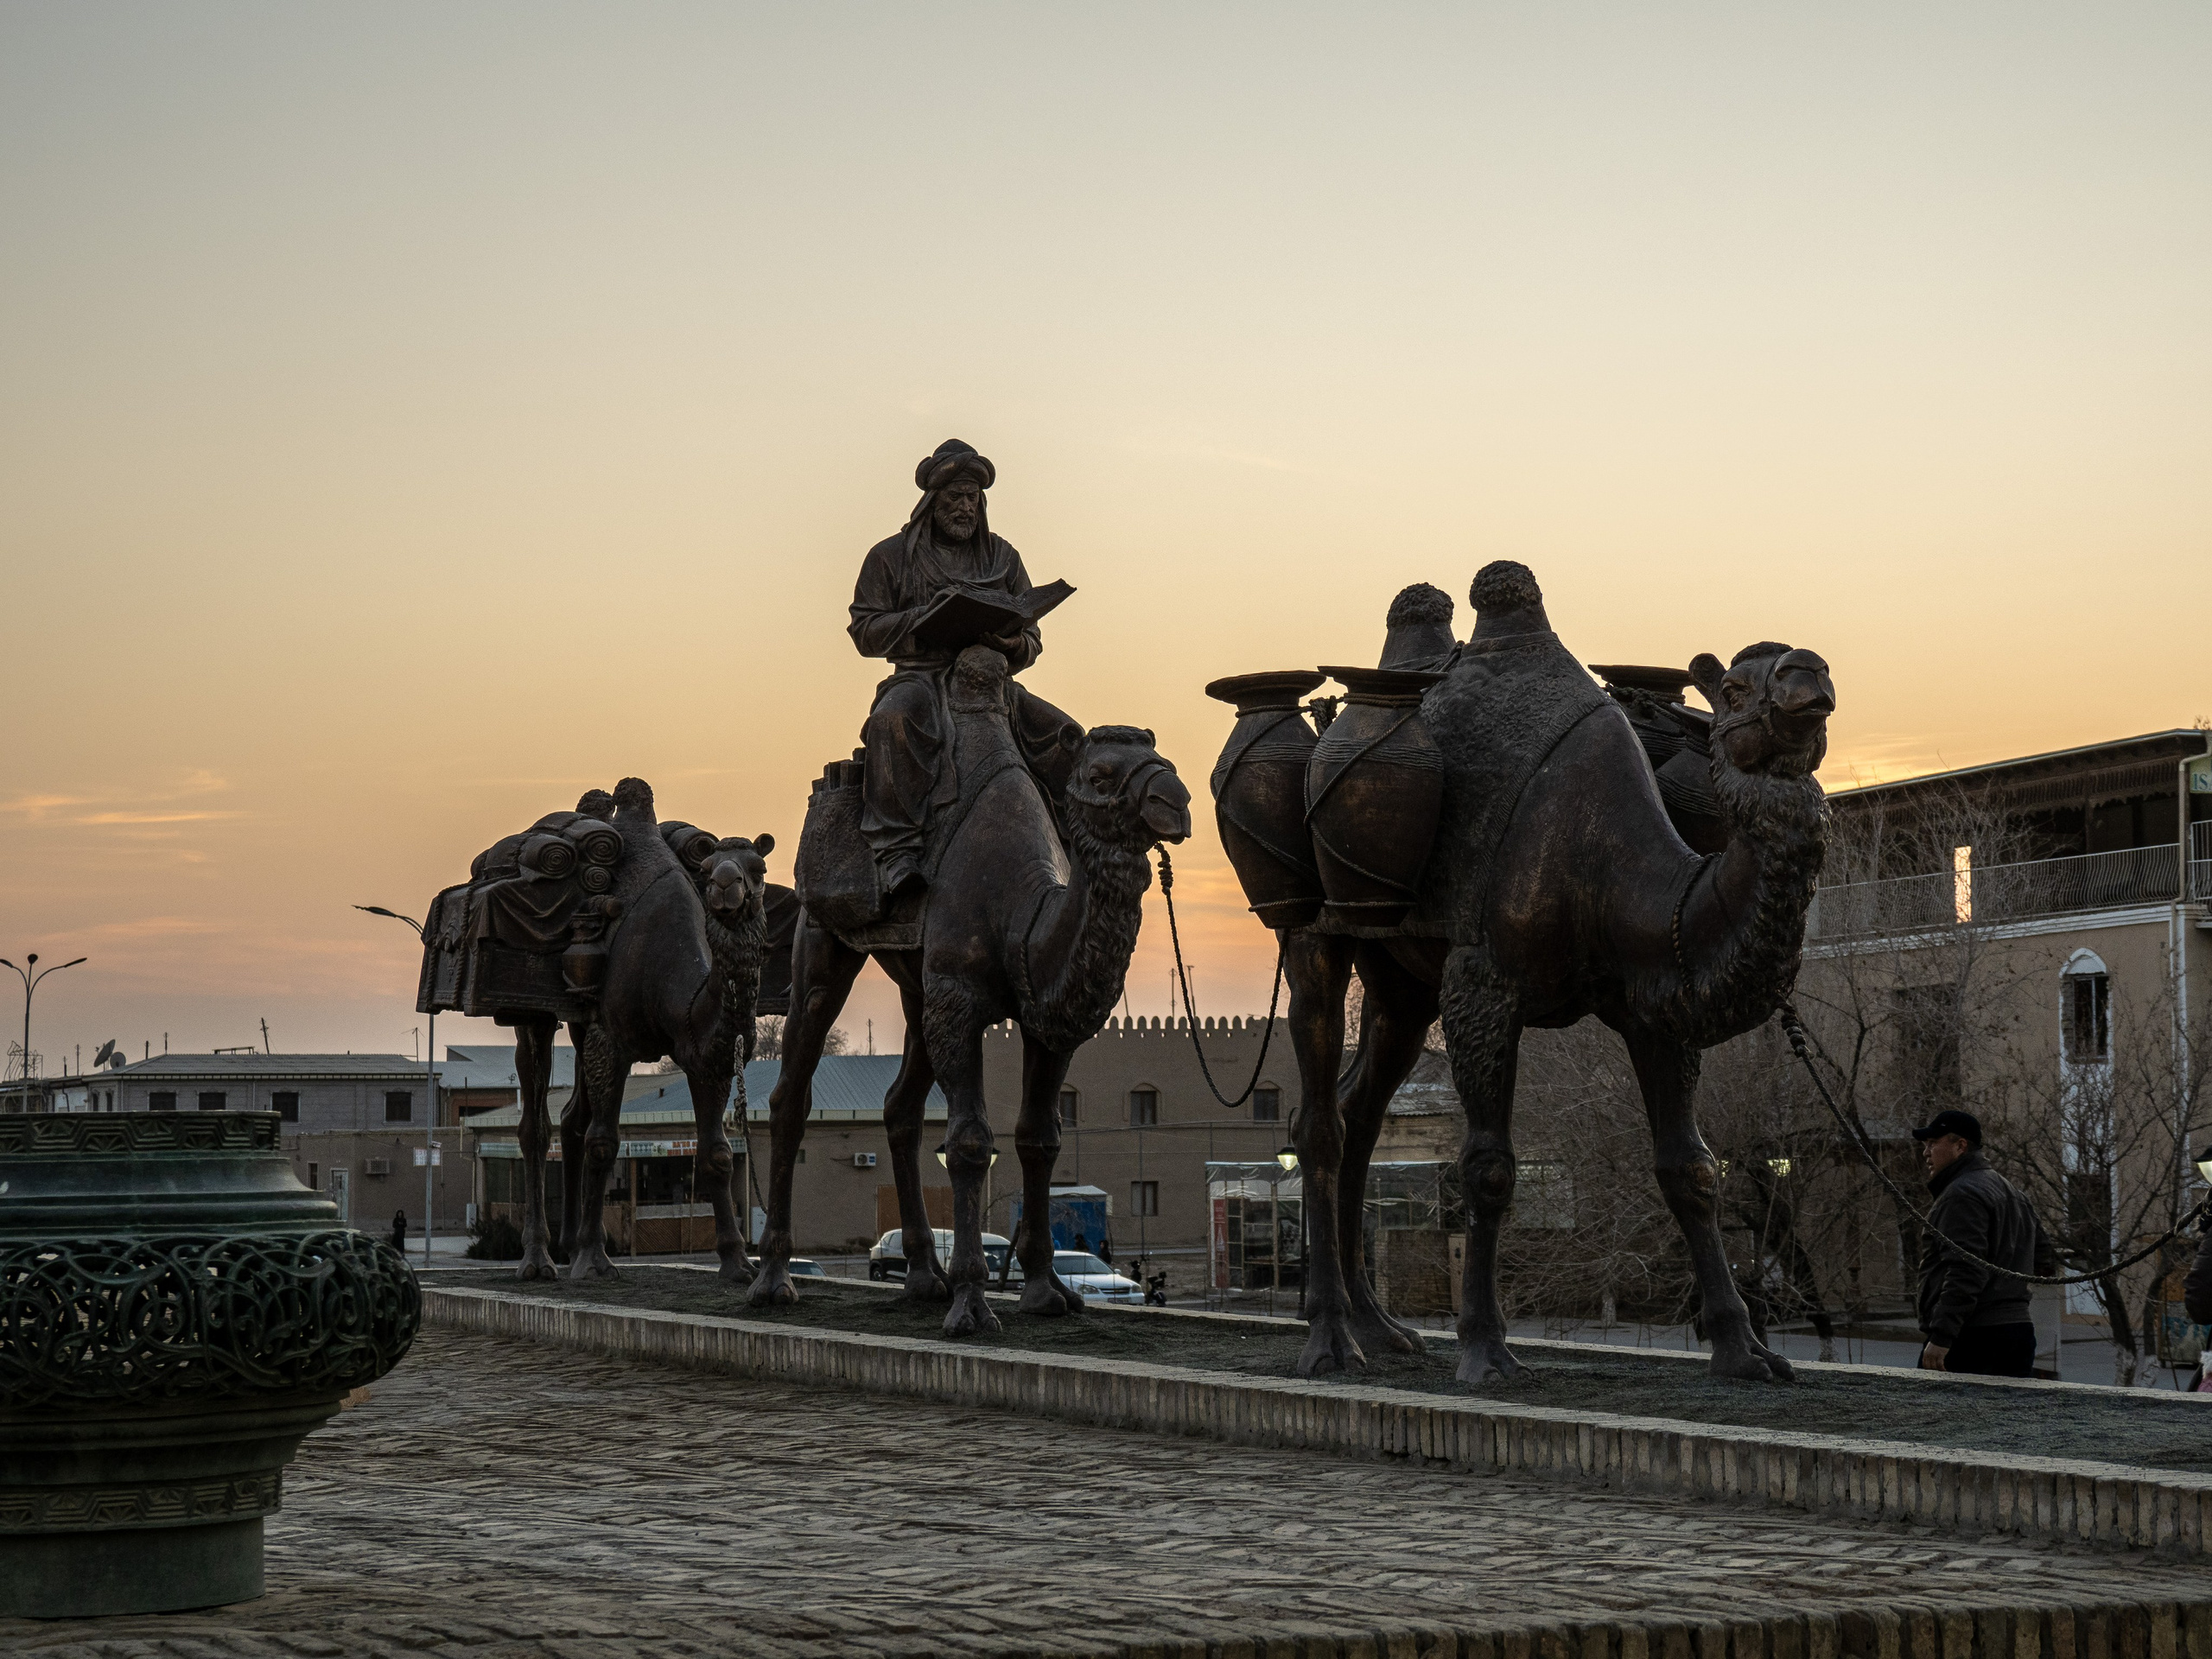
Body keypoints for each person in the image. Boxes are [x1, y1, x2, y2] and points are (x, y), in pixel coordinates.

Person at [848, 439, 1083, 904]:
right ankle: (897, 852)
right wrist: (923, 619)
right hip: (922, 678)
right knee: (891, 721)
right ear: (933, 502)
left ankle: (1073, 848)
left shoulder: (1003, 557)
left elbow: (1031, 638)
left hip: (993, 684)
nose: (965, 507)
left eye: (973, 498)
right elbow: (864, 628)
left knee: (1067, 737)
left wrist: (1011, 641)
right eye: (955, 497)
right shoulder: (890, 557)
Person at [1913, 1109, 2050, 1376]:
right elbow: (2044, 1260)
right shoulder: (2014, 1192)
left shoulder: (1960, 1195)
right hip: (2018, 1334)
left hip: (1973, 1336)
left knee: (1938, 1414)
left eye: (1932, 1143)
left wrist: (1942, 1337)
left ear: (1960, 1146)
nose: (1925, 1153)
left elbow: (1966, 1270)